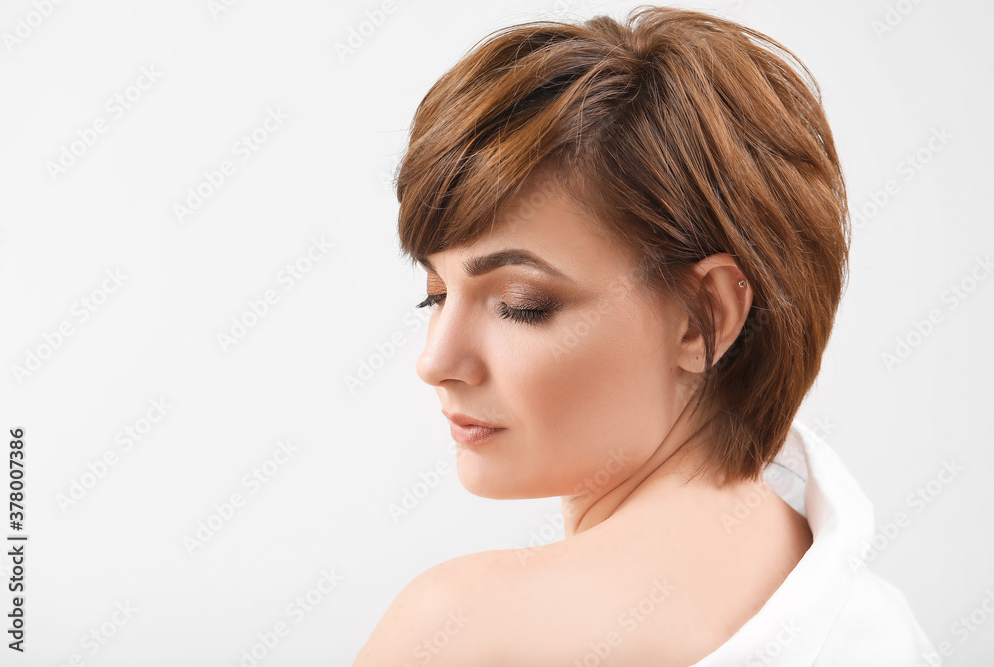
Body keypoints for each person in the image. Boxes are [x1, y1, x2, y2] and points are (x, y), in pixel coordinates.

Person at [354, 5, 936, 665]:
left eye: (521, 303)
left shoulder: (458, 630)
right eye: (435, 294)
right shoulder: (880, 623)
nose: (435, 360)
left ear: (704, 316)